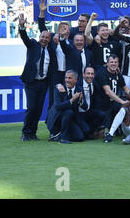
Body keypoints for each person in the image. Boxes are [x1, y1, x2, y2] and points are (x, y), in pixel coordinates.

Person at [18, 13, 57, 141]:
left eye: (47, 38)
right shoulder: (32, 45)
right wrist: (22, 26)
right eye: (43, 37)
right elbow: (24, 37)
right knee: (32, 107)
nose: (44, 39)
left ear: (49, 40)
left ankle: (33, 133)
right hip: (31, 82)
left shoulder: (51, 50)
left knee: (39, 109)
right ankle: (26, 132)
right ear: (39, 36)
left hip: (43, 83)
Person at [93, 54, 130, 131]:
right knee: (103, 130)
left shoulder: (118, 74)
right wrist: (122, 101)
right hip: (102, 105)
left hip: (112, 103)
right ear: (107, 63)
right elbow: (108, 92)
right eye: (111, 62)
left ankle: (125, 128)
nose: (113, 64)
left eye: (115, 62)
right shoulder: (102, 73)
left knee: (128, 106)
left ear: (118, 64)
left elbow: (125, 88)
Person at [45, 70, 87, 144]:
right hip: (56, 119)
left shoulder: (79, 89)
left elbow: (85, 107)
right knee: (69, 112)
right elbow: (58, 106)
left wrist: (81, 100)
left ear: (76, 80)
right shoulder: (59, 89)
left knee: (80, 137)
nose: (67, 80)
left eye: (70, 78)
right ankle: (63, 138)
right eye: (66, 78)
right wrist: (72, 99)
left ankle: (58, 136)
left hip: (70, 119)